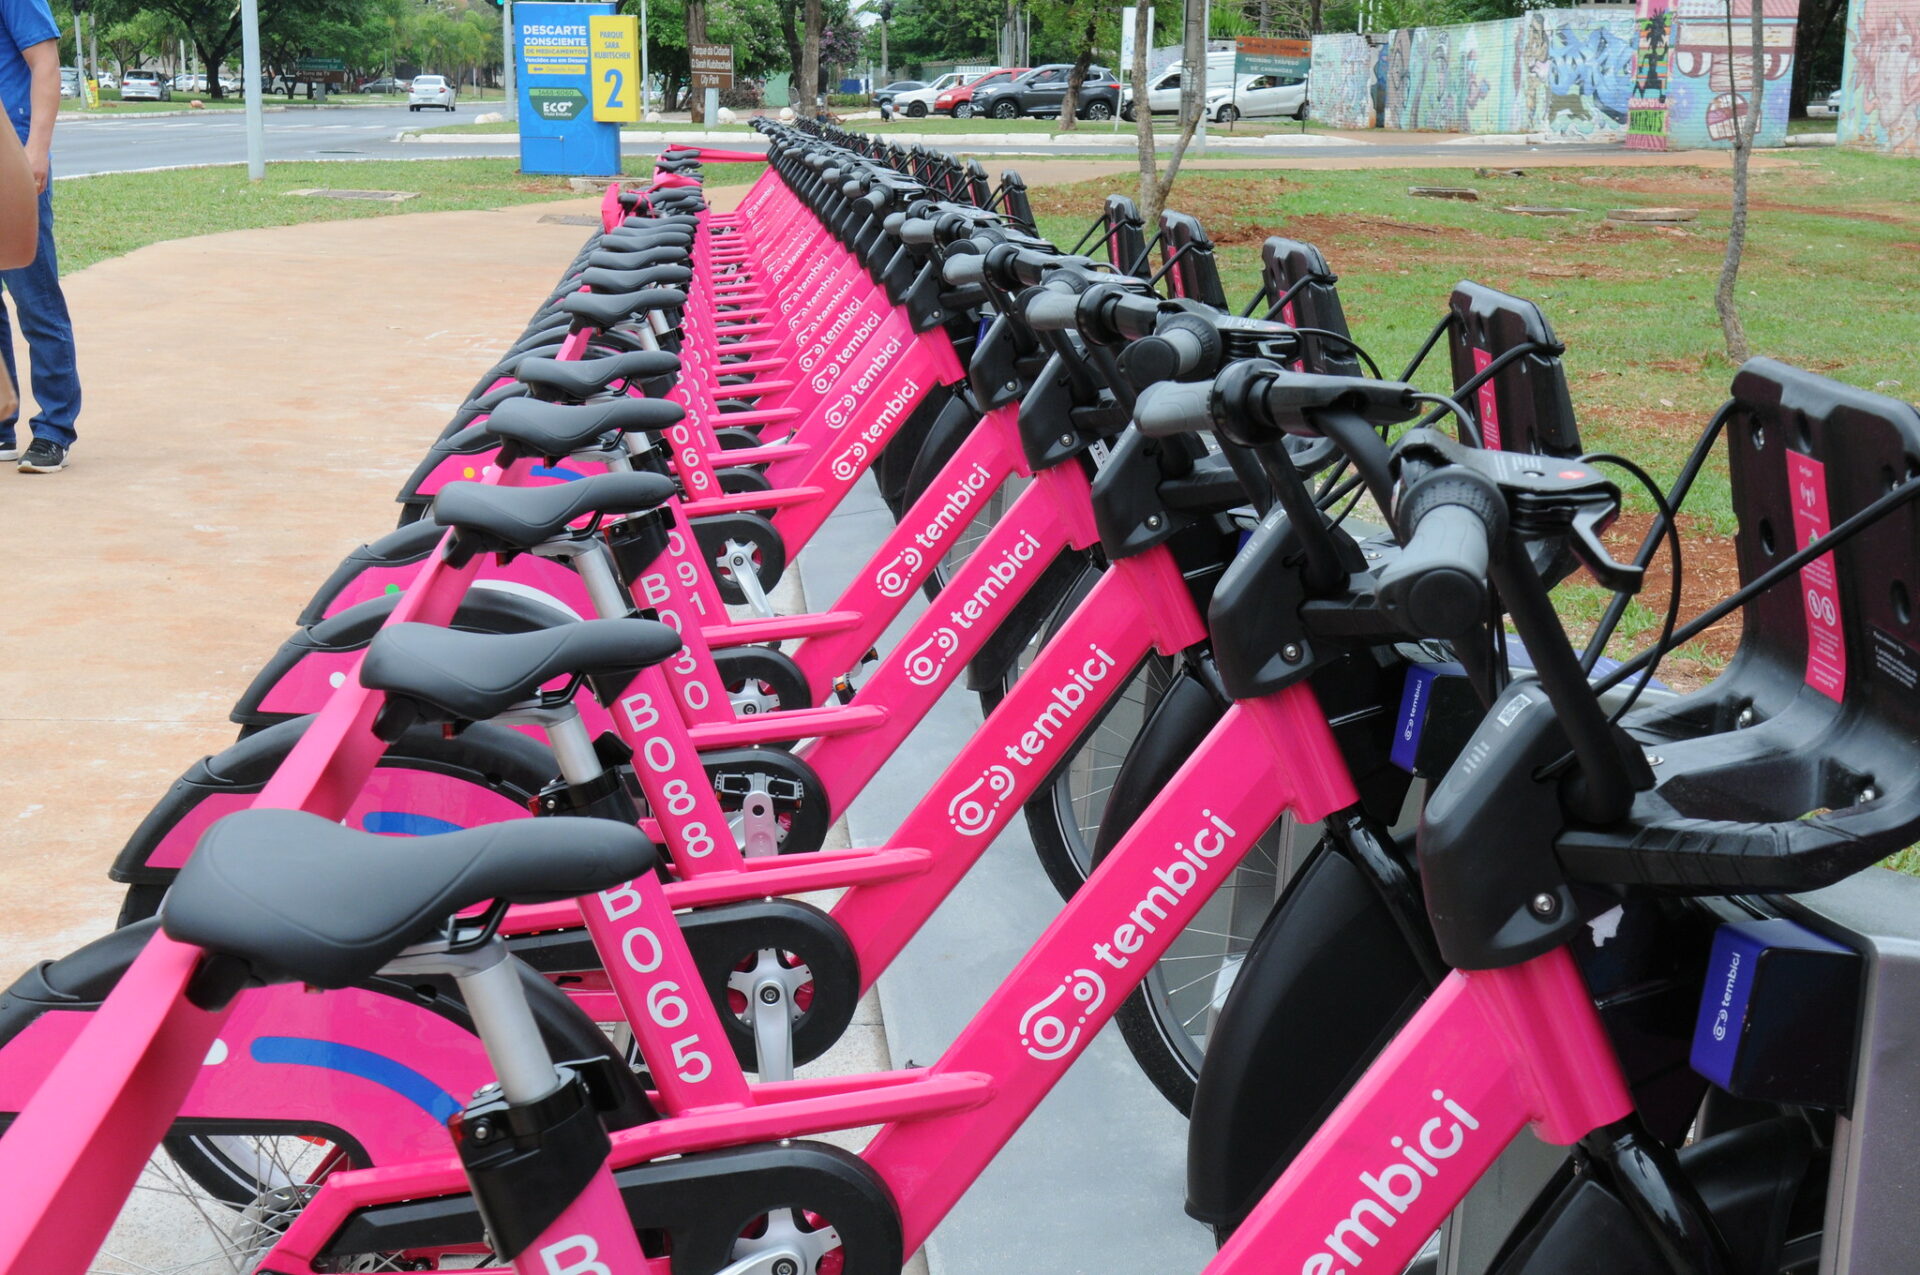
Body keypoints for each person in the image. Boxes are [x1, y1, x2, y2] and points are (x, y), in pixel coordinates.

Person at [0, 0, 77, 473]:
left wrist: (36, 151)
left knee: (35, 298)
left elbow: (45, 63)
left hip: (11, 159)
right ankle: (3, 422)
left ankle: (53, 429)